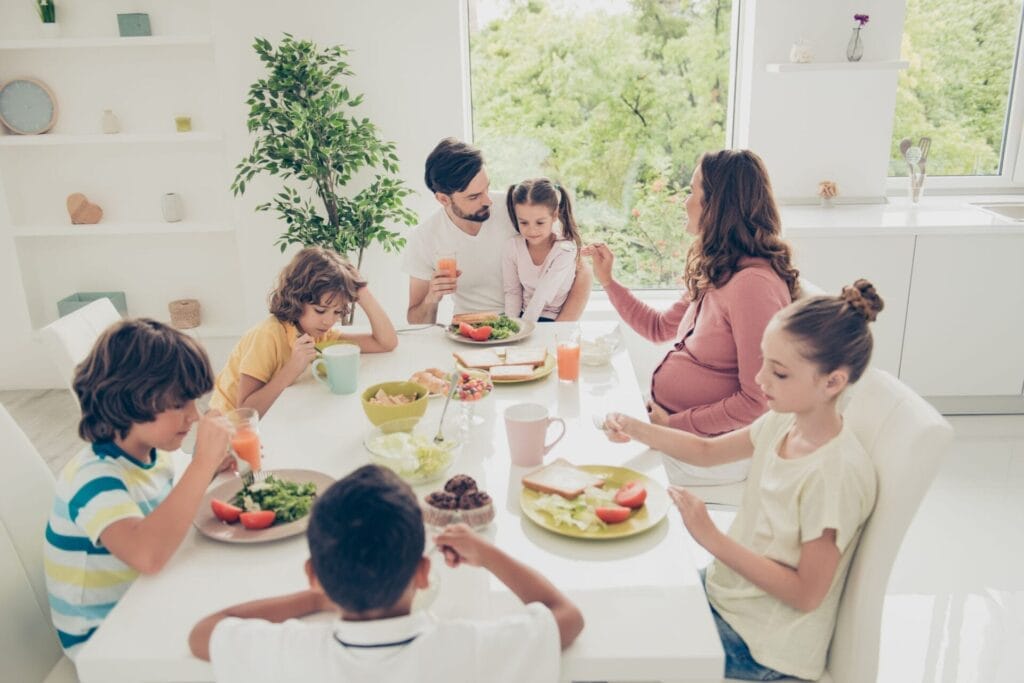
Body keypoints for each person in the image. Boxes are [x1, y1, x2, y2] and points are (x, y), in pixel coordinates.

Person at [601, 280, 883, 681]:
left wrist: (709, 536)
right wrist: (635, 426)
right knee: (608, 613)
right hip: (729, 594)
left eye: (780, 373)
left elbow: (807, 594)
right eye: (764, 360)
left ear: (833, 382)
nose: (761, 379)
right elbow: (707, 451)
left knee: (608, 657)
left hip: (763, 645)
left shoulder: (834, 475)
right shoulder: (785, 421)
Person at [189, 465, 584, 683]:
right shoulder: (470, 649)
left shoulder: (292, 655)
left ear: (313, 573)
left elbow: (204, 633)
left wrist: (314, 598)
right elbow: (565, 616)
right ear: (423, 572)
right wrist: (487, 553)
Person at [582, 148, 799, 485]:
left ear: (718, 206)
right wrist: (608, 281)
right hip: (675, 430)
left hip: (711, 450)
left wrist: (670, 427)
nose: (685, 201)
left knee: (595, 471)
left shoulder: (753, 287)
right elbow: (658, 328)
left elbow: (757, 401)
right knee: (588, 432)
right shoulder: (721, 268)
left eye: (693, 191)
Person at [44, 319, 232, 658]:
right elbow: (147, 554)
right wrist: (202, 464)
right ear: (130, 400)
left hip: (148, 602)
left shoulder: (152, 453)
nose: (195, 416)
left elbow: (168, 510)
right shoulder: (92, 478)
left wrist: (206, 469)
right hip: (104, 644)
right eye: (180, 404)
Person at [404, 137, 591, 323]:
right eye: (475, 196)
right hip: (470, 332)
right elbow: (416, 321)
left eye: (487, 188)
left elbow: (582, 271)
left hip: (528, 324)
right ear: (444, 199)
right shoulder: (424, 238)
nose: (488, 201)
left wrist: (555, 331)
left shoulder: (519, 211)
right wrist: (432, 297)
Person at [211, 246, 397, 416]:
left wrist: (362, 291)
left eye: (337, 312)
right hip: (226, 434)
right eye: (320, 310)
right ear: (298, 299)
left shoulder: (319, 333)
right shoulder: (267, 335)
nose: (329, 320)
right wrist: (292, 368)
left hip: (270, 420)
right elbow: (244, 412)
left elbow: (385, 342)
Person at [502, 178, 583, 323]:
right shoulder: (512, 247)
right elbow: (512, 292)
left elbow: (543, 294)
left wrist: (523, 329)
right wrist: (511, 325)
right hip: (524, 316)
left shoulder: (565, 250)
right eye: (524, 222)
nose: (532, 230)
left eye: (540, 222)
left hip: (552, 320)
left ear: (554, 215)